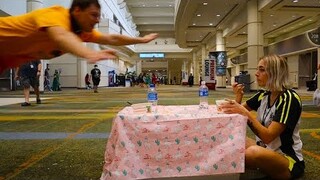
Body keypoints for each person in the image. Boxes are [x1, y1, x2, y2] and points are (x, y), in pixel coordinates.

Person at [0, 0, 158, 73]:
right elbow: (60, 37)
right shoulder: (56, 15)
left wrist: (141, 40)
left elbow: (112, 39)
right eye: (93, 15)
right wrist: (90, 53)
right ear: (77, 10)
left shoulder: (82, 33)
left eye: (99, 16)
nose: (97, 20)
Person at [219, 54, 305, 179]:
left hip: (288, 160)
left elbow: (268, 137)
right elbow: (237, 113)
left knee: (252, 152)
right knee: (233, 140)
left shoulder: (289, 99)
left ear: (275, 73)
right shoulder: (264, 95)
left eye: (262, 70)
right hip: (267, 149)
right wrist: (238, 97)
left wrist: (246, 114)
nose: (256, 73)